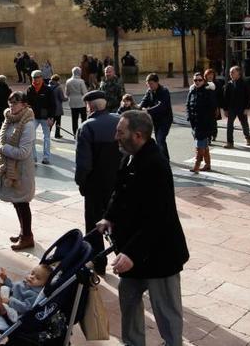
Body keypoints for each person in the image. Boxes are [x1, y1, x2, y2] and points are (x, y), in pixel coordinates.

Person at [96, 110, 189, 346]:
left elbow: (160, 217)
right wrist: (108, 217)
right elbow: (120, 192)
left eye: (120, 132)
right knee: (129, 302)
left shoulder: (155, 164)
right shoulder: (129, 156)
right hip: (131, 249)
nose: (116, 136)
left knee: (166, 312)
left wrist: (132, 254)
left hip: (159, 254)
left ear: (138, 135)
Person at [74, 90, 120, 266]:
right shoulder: (119, 121)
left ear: (90, 106)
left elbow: (84, 163)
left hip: (95, 184)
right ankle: (123, 256)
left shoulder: (87, 126)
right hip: (118, 182)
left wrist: (81, 182)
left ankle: (98, 262)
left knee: (94, 225)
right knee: (117, 221)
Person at [0, 91, 37, 251]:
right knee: (17, 203)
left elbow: (23, 152)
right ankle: (23, 232)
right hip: (11, 168)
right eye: (10, 103)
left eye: (15, 103)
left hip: (21, 171)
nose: (11, 106)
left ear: (24, 105)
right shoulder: (10, 120)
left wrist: (2, 148)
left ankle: (27, 237)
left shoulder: (28, 124)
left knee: (22, 203)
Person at [185, 72, 216, 173]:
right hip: (195, 122)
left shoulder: (208, 91)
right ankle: (207, 164)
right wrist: (189, 116)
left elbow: (212, 108)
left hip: (204, 123)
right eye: (195, 80)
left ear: (204, 80)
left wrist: (208, 121)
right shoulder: (192, 91)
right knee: (204, 145)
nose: (197, 82)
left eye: (199, 80)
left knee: (199, 145)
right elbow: (188, 104)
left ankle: (196, 166)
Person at [139, 73, 173, 160]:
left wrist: (148, 110)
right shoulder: (149, 91)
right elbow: (143, 102)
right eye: (148, 84)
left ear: (157, 82)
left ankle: (165, 159)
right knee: (158, 140)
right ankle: (162, 157)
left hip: (165, 119)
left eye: (151, 84)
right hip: (155, 120)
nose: (149, 86)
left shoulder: (164, 91)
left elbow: (162, 106)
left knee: (160, 138)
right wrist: (136, 107)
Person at [26, 70, 56, 164]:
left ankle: (46, 157)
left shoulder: (48, 89)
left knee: (46, 137)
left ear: (41, 78)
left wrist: (51, 117)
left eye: (38, 77)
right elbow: (27, 103)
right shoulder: (30, 89)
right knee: (31, 137)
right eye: (34, 78)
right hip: (33, 117)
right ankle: (34, 157)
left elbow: (53, 105)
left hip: (45, 117)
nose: (36, 79)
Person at [223, 65, 250, 148]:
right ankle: (230, 142)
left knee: (244, 124)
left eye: (232, 72)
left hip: (242, 108)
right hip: (231, 108)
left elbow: (249, 96)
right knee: (229, 125)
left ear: (238, 73)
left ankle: (248, 137)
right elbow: (226, 98)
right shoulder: (229, 84)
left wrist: (247, 108)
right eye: (230, 72)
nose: (230, 74)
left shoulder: (244, 83)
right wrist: (225, 109)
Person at [204, 68, 225, 143]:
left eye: (211, 75)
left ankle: (214, 134)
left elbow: (220, 96)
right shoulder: (203, 83)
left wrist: (219, 107)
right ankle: (208, 138)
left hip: (214, 106)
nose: (210, 76)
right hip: (205, 107)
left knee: (213, 122)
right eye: (208, 75)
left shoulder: (217, 84)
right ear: (205, 76)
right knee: (206, 122)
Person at [66, 66, 88, 135]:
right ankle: (83, 132)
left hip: (72, 102)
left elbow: (67, 93)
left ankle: (75, 133)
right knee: (83, 118)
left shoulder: (68, 81)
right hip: (81, 102)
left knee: (74, 119)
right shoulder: (81, 81)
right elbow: (85, 92)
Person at [48, 74, 67, 139]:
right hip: (57, 107)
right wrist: (68, 98)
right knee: (58, 122)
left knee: (51, 122)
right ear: (57, 80)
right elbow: (62, 98)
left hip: (50, 107)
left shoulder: (48, 86)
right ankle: (57, 134)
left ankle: (47, 134)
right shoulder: (58, 88)